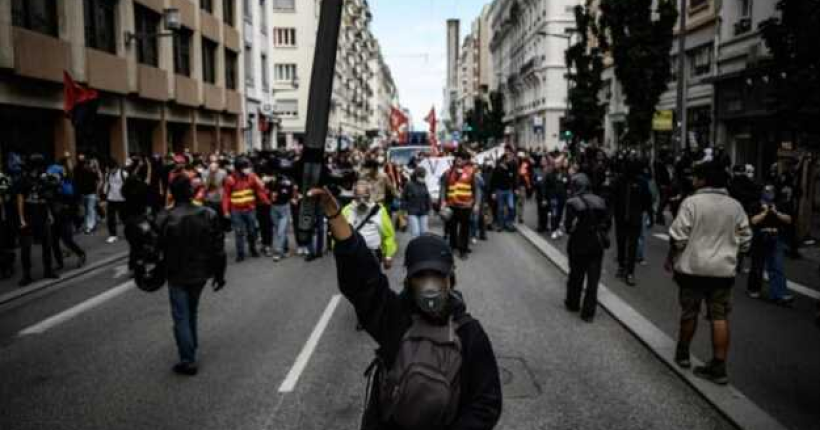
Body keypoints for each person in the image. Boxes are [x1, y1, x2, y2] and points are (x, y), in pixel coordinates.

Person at [310, 187, 503, 430]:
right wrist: (335, 215)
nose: (429, 285)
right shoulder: (395, 317)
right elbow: (362, 277)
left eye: (437, 275)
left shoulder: (469, 334)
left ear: (450, 280)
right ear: (409, 280)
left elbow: (486, 404)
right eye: (422, 276)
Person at [667, 161, 752, 385]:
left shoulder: (691, 203)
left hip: (692, 269)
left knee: (689, 312)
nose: (693, 180)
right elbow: (746, 240)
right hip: (723, 272)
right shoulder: (735, 206)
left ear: (703, 180)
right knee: (720, 316)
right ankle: (719, 366)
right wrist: (733, 250)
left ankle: (683, 354)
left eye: (696, 177)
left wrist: (677, 255)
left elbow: (678, 236)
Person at [156, 175, 227, 376]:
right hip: (200, 272)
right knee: (190, 311)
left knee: (181, 315)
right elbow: (218, 249)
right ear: (191, 191)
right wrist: (219, 275)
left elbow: (154, 248)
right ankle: (190, 350)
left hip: (176, 272)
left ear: (172, 193)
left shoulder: (164, 217)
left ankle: (188, 359)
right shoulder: (208, 214)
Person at [564, 173, 611, 322]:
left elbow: (568, 226)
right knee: (593, 281)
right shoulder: (600, 201)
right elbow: (607, 223)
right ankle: (588, 313)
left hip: (579, 242)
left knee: (576, 275)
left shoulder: (572, 202)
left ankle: (573, 303)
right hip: (596, 245)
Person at [746, 185, 794, 305]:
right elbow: (753, 220)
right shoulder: (756, 205)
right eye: (767, 191)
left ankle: (779, 294)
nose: (769, 194)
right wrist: (765, 212)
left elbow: (788, 219)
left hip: (775, 237)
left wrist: (776, 212)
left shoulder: (779, 205)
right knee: (757, 266)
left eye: (772, 191)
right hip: (760, 238)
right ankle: (754, 288)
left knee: (777, 266)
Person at [16, 154, 59, 286]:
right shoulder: (23, 179)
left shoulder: (43, 178)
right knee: (26, 247)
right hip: (29, 215)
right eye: (38, 166)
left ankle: (48, 270)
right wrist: (21, 218)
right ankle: (26, 275)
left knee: (47, 243)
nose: (39, 168)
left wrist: (50, 214)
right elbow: (20, 199)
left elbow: (46, 198)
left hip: (42, 213)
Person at [612, 157, 653, 286]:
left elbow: (647, 200)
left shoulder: (641, 182)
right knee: (621, 243)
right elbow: (613, 199)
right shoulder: (619, 181)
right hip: (621, 217)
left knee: (632, 245)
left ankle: (629, 272)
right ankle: (621, 266)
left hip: (635, 218)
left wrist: (650, 215)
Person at [222, 158, 270, 262]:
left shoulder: (252, 177)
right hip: (236, 211)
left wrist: (266, 201)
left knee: (252, 231)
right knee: (239, 232)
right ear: (239, 168)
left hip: (250, 209)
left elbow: (260, 190)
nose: (249, 169)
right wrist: (225, 210)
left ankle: (253, 249)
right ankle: (240, 254)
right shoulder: (230, 179)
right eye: (246, 167)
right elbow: (226, 196)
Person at [342, 181, 397, 270]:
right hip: (352, 256)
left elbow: (389, 235)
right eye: (359, 198)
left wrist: (388, 256)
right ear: (354, 196)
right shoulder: (346, 211)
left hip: (373, 255)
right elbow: (339, 235)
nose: (362, 201)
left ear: (369, 195)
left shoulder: (379, 211)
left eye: (365, 197)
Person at [47, 159, 86, 271]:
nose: (52, 177)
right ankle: (59, 263)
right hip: (53, 218)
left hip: (66, 217)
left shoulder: (67, 184)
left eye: (54, 175)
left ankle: (81, 254)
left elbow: (75, 198)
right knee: (53, 242)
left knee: (67, 240)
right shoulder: (50, 185)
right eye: (51, 175)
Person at [442, 152, 479, 259]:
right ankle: (453, 247)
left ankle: (463, 250)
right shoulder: (448, 172)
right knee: (452, 227)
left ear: (465, 161)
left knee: (464, 229)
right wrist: (443, 201)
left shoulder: (471, 172)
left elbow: (475, 189)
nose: (459, 161)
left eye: (461, 159)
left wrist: (476, 203)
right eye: (457, 159)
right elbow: (444, 187)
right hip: (452, 205)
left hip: (465, 205)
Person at [270, 169, 297, 262]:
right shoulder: (271, 182)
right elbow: (266, 192)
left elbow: (293, 193)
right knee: (279, 230)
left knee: (281, 231)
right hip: (274, 208)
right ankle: (285, 249)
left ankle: (278, 252)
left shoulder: (288, 184)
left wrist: (293, 198)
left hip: (284, 208)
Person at [74, 153, 101, 234]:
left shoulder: (90, 170)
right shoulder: (76, 169)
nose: (82, 162)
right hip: (82, 193)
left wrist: (97, 193)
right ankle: (91, 224)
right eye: (80, 160)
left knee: (90, 209)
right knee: (86, 210)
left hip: (91, 193)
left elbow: (97, 181)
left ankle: (89, 226)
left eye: (83, 160)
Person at [402, 166, 431, 238]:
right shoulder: (409, 184)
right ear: (416, 175)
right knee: (415, 232)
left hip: (423, 211)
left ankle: (423, 248)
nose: (423, 178)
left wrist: (429, 209)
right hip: (412, 211)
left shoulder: (424, 184)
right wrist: (404, 211)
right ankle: (416, 248)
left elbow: (427, 197)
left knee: (424, 232)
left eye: (424, 176)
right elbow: (403, 198)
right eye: (421, 176)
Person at [490, 153, 517, 232]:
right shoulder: (497, 168)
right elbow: (493, 181)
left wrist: (515, 188)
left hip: (509, 191)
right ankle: (500, 225)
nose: (509, 160)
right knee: (500, 209)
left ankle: (508, 223)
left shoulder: (510, 167)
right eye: (508, 158)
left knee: (511, 207)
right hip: (500, 191)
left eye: (510, 158)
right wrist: (493, 192)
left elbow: (513, 179)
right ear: (504, 159)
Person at [104, 159, 128, 244]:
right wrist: (104, 194)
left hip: (122, 199)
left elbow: (129, 185)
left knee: (124, 218)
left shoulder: (123, 174)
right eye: (108, 169)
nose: (110, 170)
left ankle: (129, 231)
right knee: (110, 218)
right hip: (111, 199)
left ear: (115, 167)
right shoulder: (108, 174)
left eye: (111, 168)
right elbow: (107, 184)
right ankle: (113, 235)